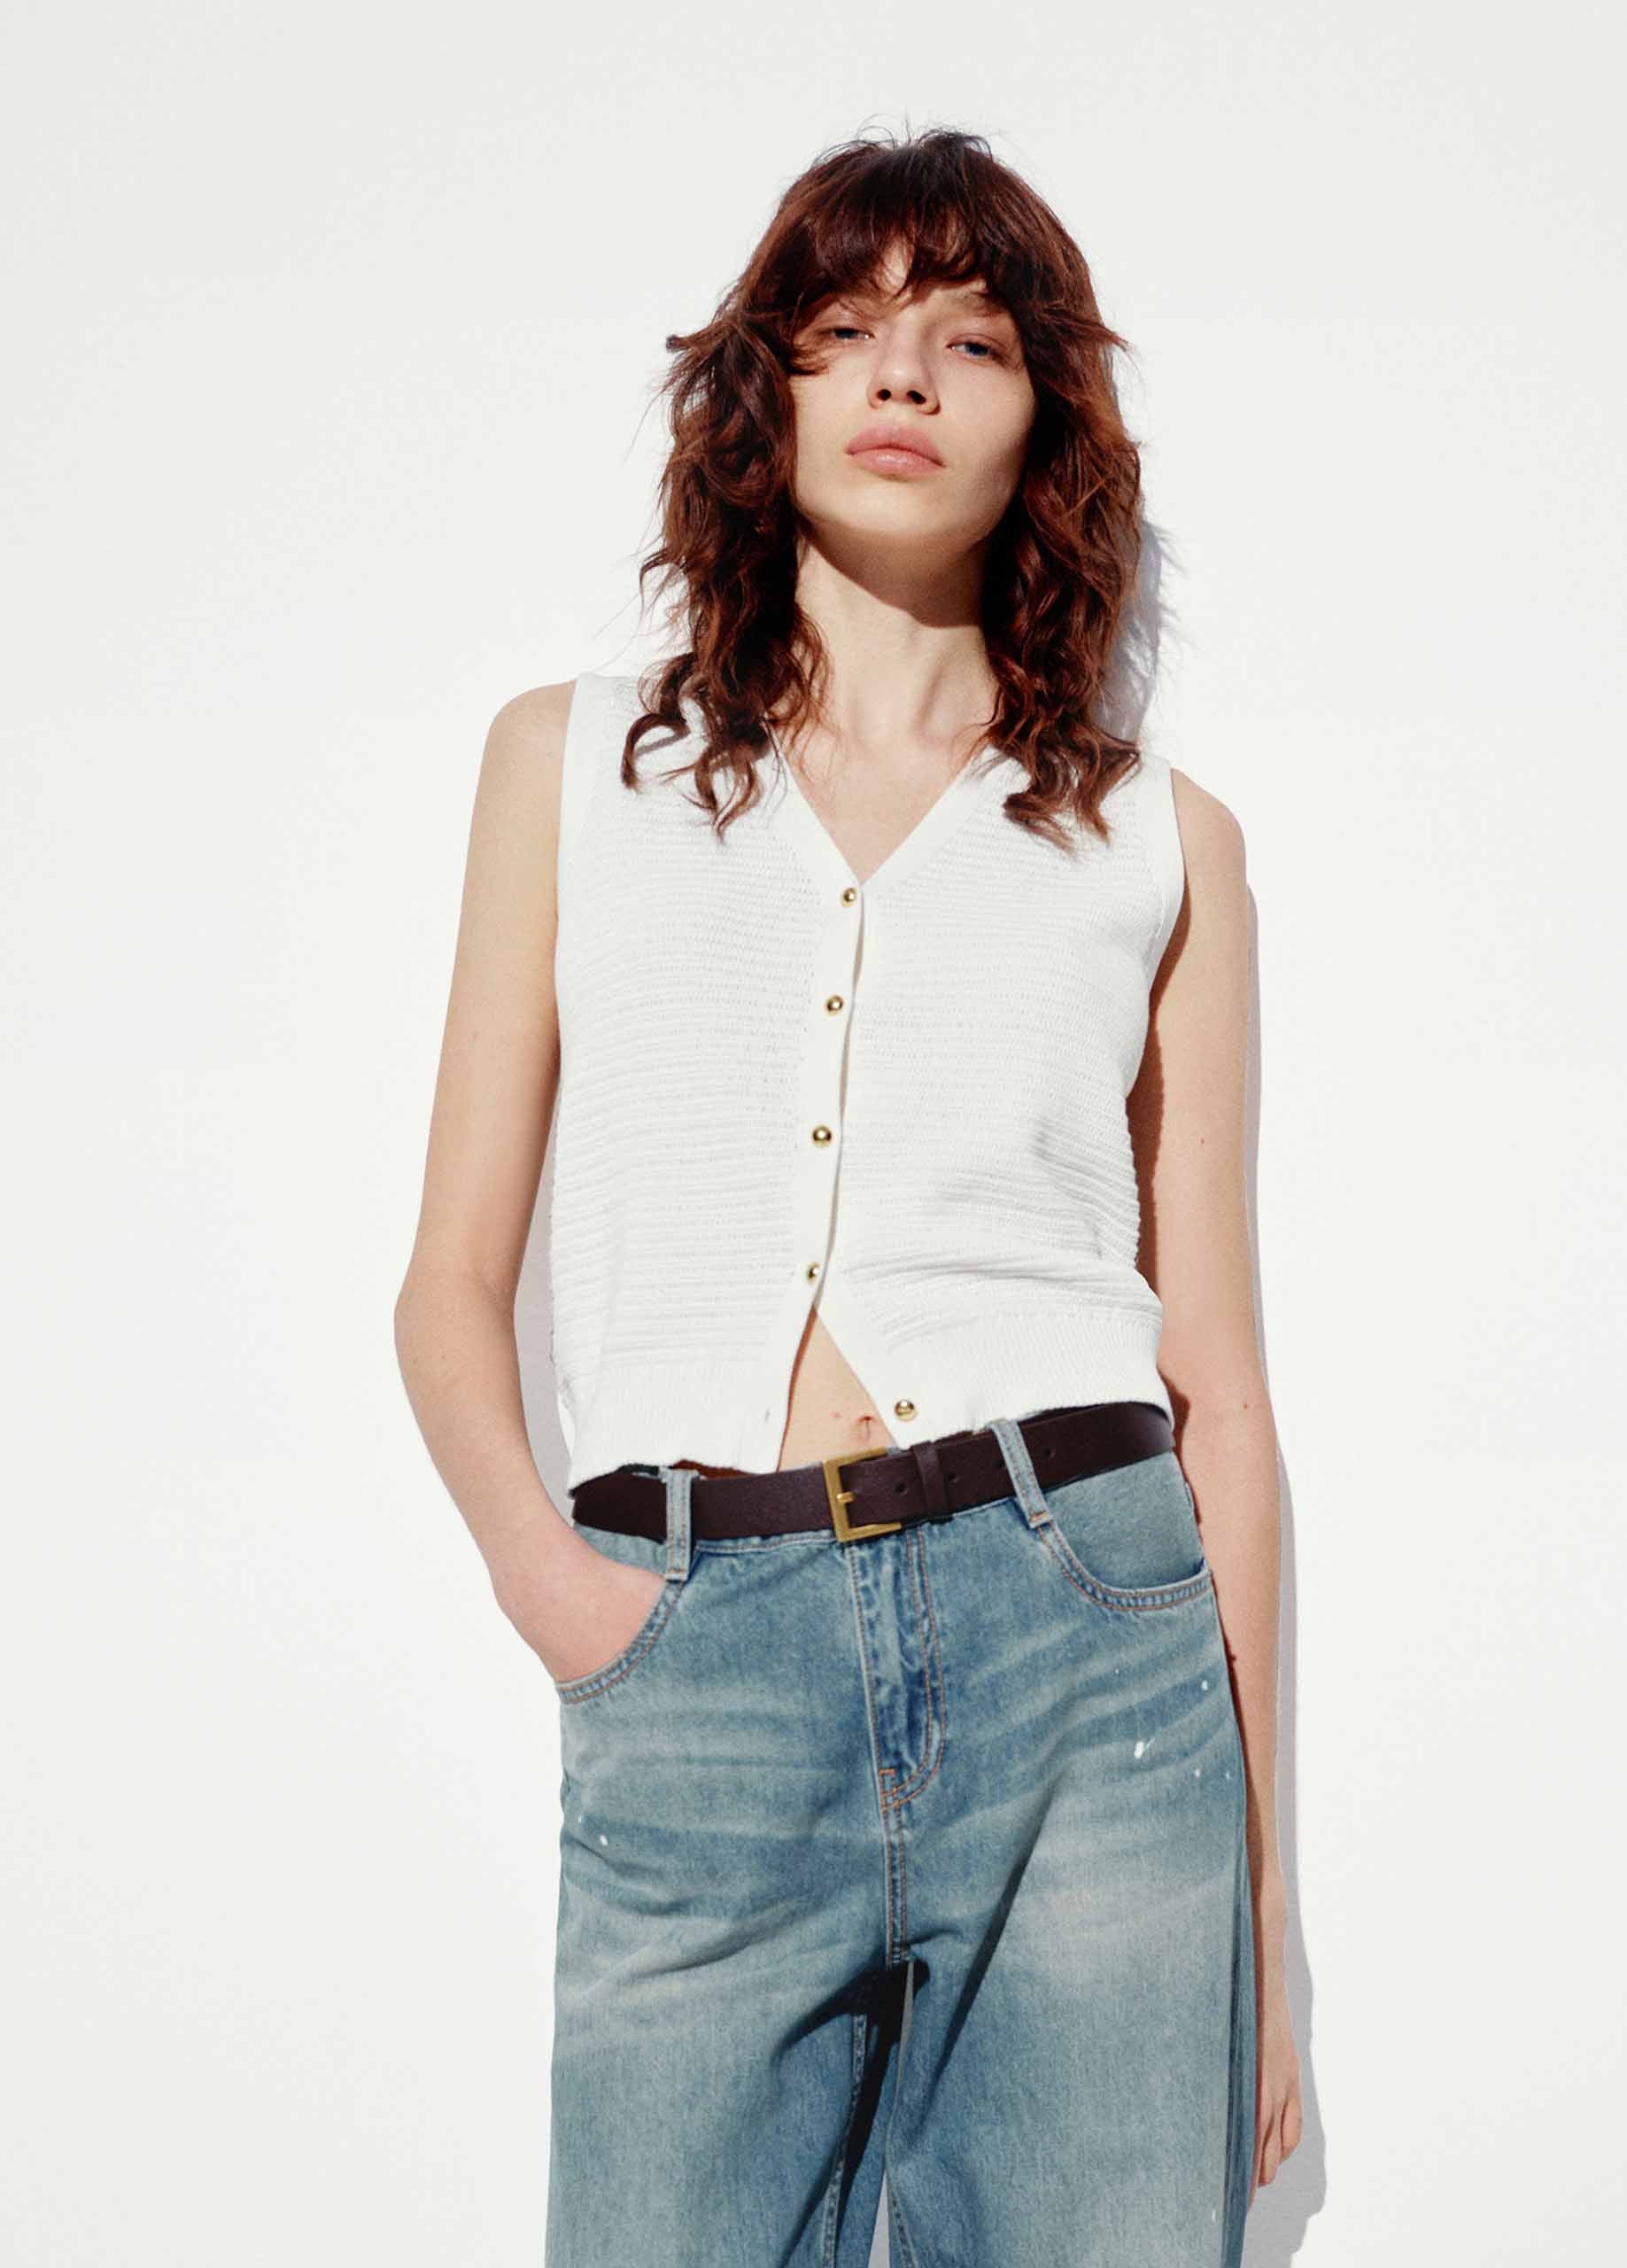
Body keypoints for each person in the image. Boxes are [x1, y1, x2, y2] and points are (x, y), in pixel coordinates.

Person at [394, 124, 1299, 2267]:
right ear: (766, 394)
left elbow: (1222, 1386)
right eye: (847, 328)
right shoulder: (572, 768)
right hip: (689, 1641)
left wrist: (1266, 1912)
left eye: (971, 339)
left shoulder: (1166, 843)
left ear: (1043, 425)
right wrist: (568, 1598)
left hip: (1090, 1649)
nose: (904, 374)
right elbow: (447, 1282)